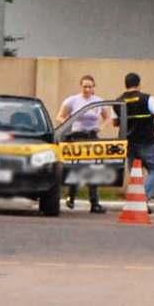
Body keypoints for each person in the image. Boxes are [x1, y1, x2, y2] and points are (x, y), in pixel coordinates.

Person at [113, 72, 154, 212]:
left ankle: (139, 199)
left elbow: (114, 122)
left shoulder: (118, 101)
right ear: (139, 84)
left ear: (126, 84)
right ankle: (142, 198)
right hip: (146, 142)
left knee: (135, 173)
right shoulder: (147, 98)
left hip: (128, 143)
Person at [56, 75, 109, 213]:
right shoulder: (73, 100)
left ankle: (94, 203)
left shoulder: (98, 101)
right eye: (85, 86)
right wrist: (68, 125)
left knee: (94, 169)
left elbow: (107, 117)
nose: (87, 89)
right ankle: (71, 196)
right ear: (80, 86)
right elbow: (60, 116)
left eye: (90, 86)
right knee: (77, 167)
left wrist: (101, 127)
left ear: (94, 87)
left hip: (92, 137)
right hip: (77, 137)